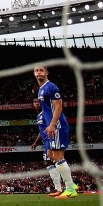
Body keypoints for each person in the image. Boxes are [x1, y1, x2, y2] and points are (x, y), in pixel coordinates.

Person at [35, 65, 79, 198]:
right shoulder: (41, 89)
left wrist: (53, 124)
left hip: (58, 125)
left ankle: (70, 188)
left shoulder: (51, 87)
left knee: (58, 157)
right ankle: (70, 185)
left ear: (47, 72)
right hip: (52, 126)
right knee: (52, 156)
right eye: (36, 71)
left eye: (41, 70)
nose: (39, 73)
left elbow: (59, 107)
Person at [30, 98, 64, 197]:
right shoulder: (39, 115)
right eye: (34, 102)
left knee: (49, 161)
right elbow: (42, 131)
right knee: (51, 161)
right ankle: (61, 187)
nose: (36, 103)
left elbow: (52, 125)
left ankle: (63, 186)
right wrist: (36, 142)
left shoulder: (46, 113)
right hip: (46, 141)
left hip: (51, 139)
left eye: (38, 102)